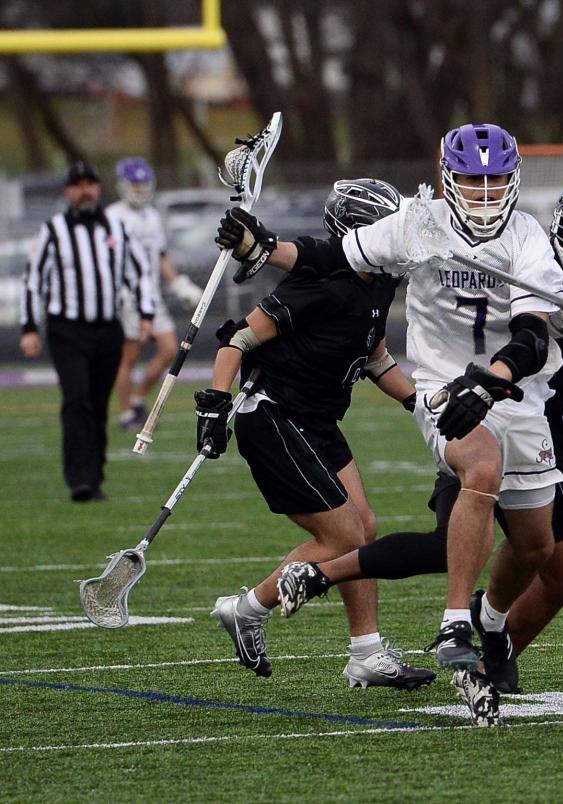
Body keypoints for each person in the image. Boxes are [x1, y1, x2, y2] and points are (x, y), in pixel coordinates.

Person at [260, 178, 563, 696]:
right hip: (477, 419)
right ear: (561, 221)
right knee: (448, 548)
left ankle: (494, 647)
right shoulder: (522, 262)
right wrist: (550, 320)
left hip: (537, 448)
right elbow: (514, 333)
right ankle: (328, 579)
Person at [205, 178, 434, 690]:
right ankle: (247, 608)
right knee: (342, 537)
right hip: (275, 417)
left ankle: (366, 653)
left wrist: (418, 401)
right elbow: (236, 342)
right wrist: (217, 403)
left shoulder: (380, 281)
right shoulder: (320, 281)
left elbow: (374, 356)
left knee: (365, 528)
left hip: (318, 420)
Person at [20, 160, 155, 502]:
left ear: (98, 188)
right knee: (76, 398)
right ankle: (79, 478)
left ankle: (94, 478)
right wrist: (29, 328)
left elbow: (139, 272)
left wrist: (146, 314)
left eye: (90, 184)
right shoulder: (52, 231)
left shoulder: (116, 229)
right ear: (68, 192)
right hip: (66, 330)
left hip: (107, 329)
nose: (85, 190)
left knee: (97, 402)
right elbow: (33, 281)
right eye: (78, 184)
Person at [108, 157, 204, 431]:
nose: (139, 189)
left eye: (142, 183)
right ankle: (126, 413)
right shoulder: (113, 216)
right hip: (126, 297)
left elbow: (160, 255)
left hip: (151, 296)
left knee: (169, 350)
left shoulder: (151, 216)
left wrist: (179, 283)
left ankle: (139, 399)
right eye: (134, 183)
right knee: (129, 356)